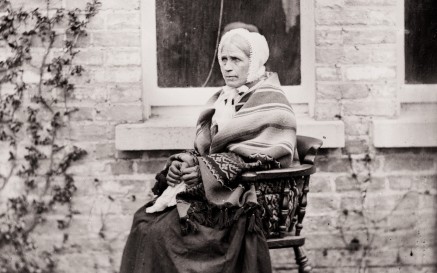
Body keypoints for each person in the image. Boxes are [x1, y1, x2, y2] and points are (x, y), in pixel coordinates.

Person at [120, 27, 297, 273]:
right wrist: (182, 165)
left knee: (161, 233)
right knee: (144, 222)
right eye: (223, 59)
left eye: (236, 59)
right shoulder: (222, 99)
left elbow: (264, 156)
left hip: (250, 199)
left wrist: (204, 172)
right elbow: (206, 149)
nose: (227, 66)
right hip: (219, 191)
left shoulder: (271, 100)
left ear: (254, 61)